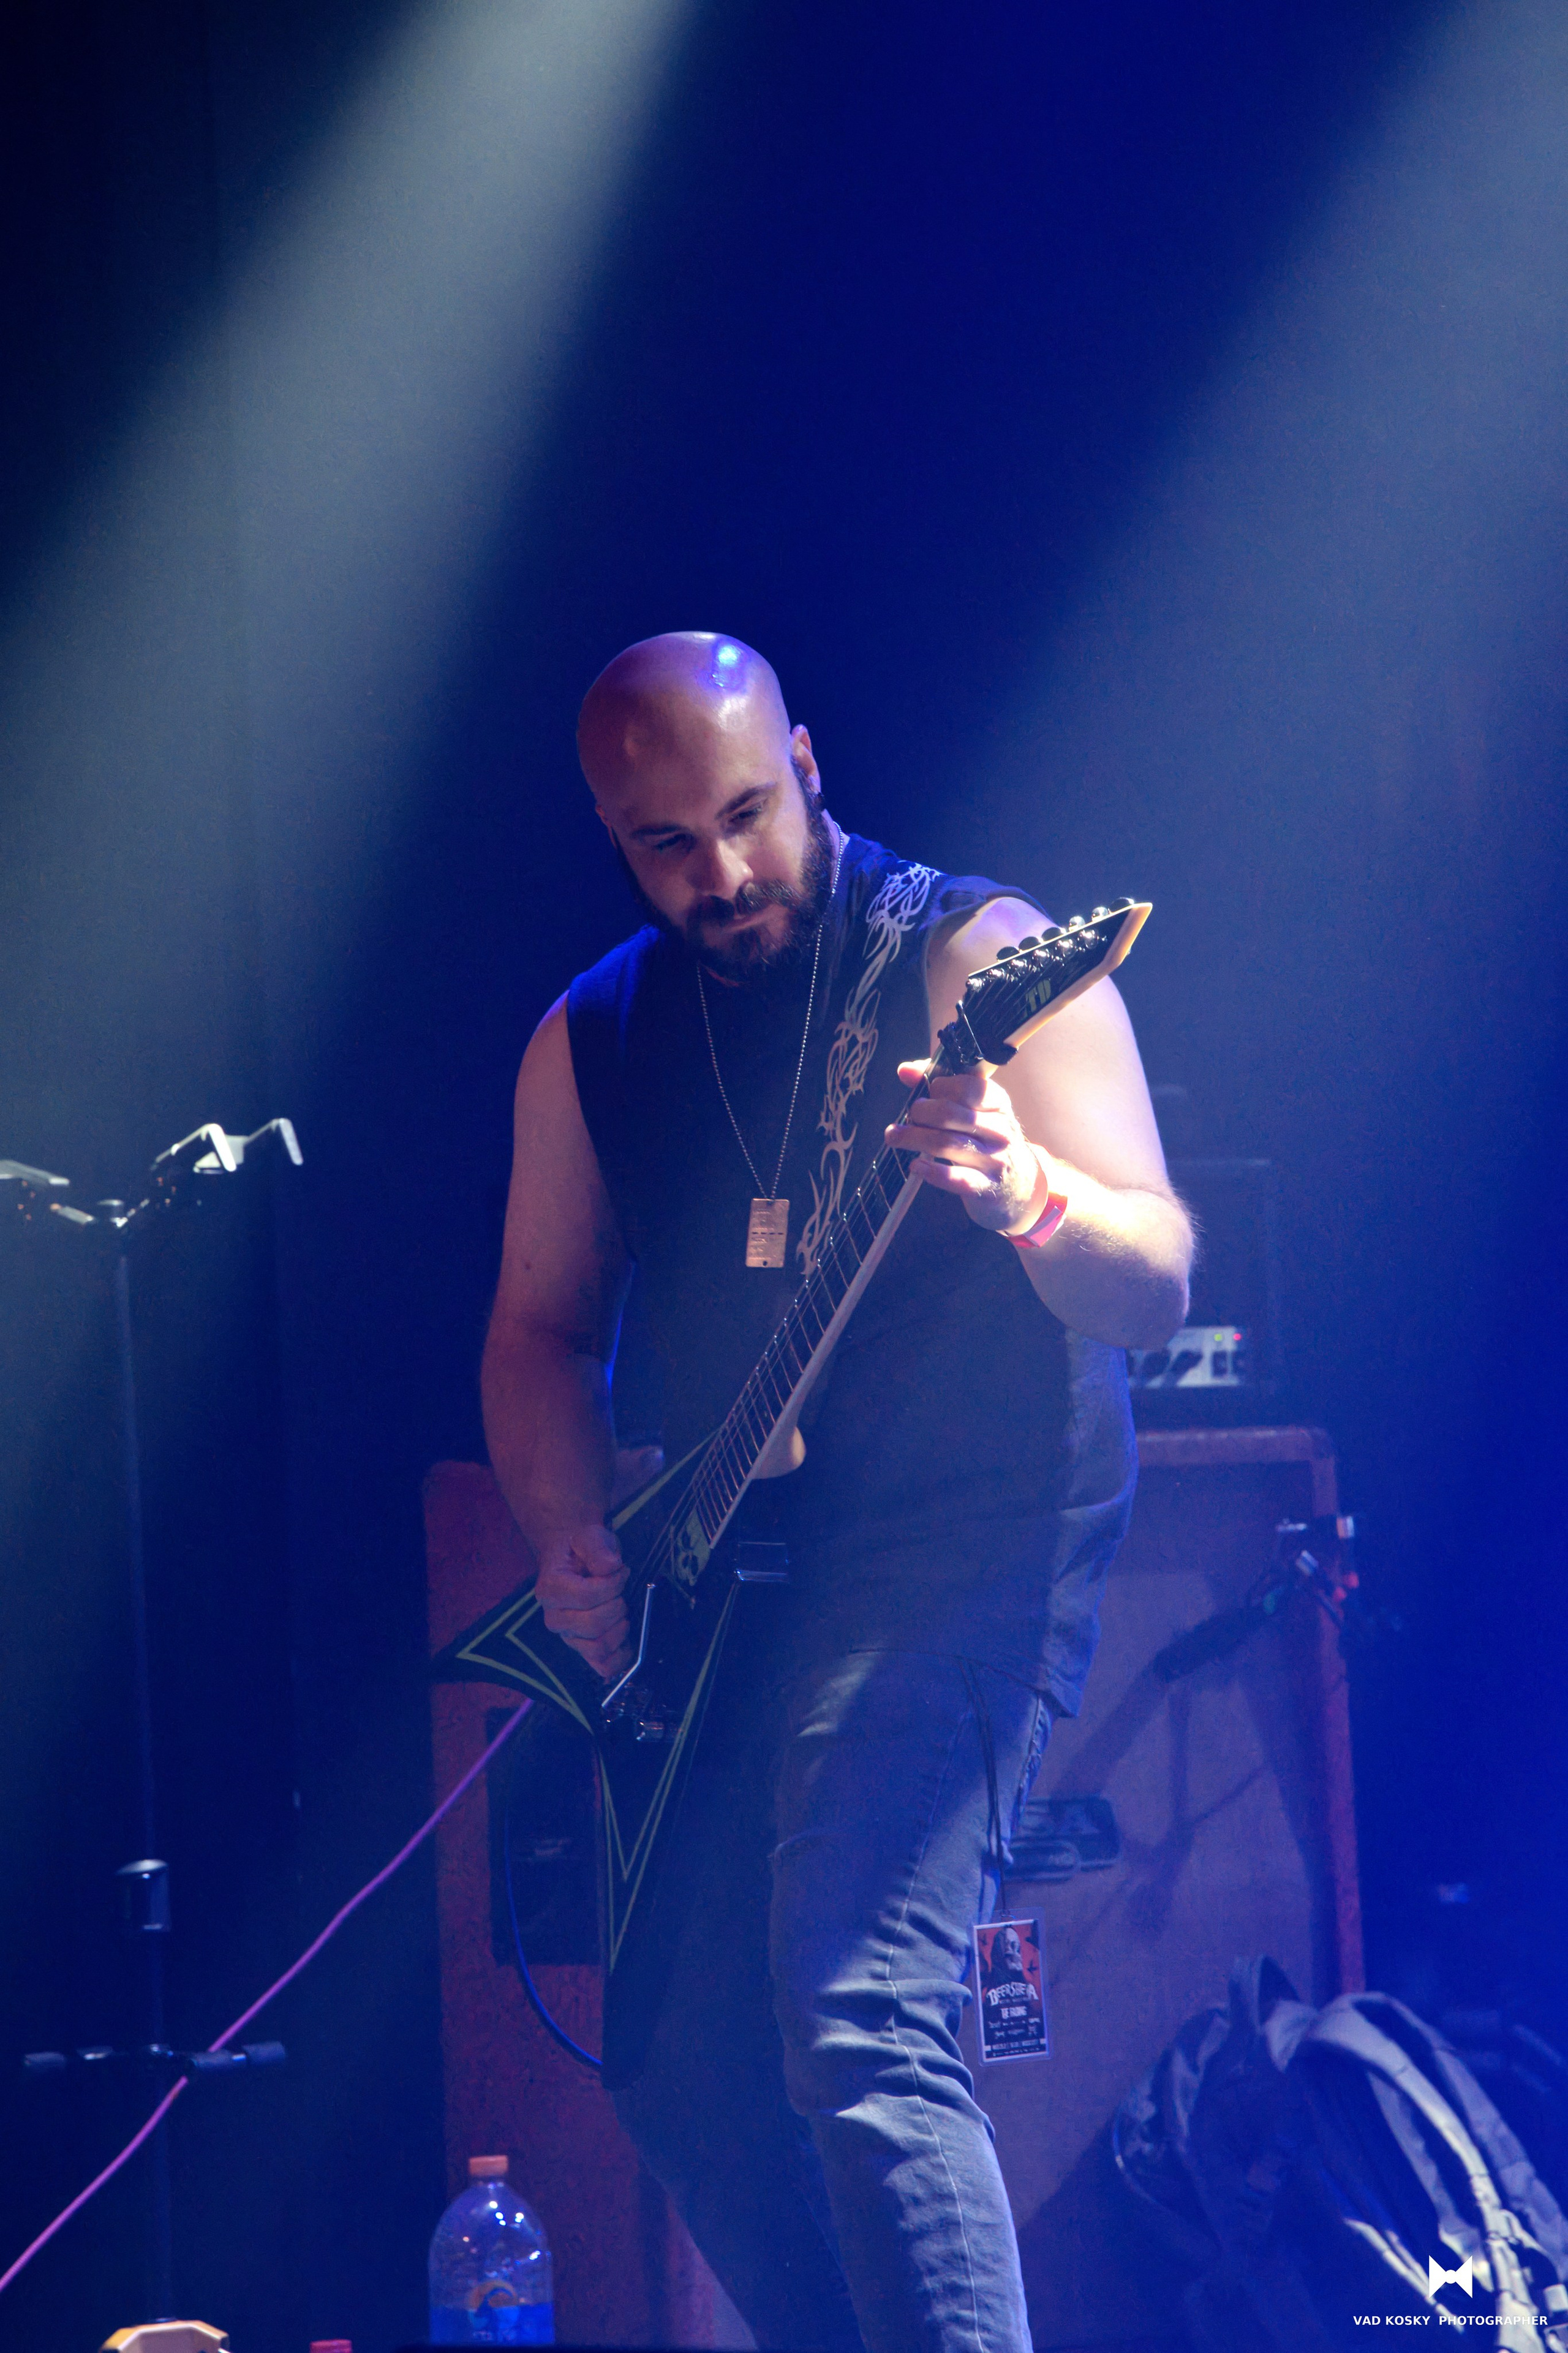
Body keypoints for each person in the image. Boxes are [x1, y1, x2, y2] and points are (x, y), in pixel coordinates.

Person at [481, 632, 1193, 2353]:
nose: (722, 874)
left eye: (746, 813)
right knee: (678, 2060)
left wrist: (1028, 1195)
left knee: (862, 2005)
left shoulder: (976, 958)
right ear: (613, 838)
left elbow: (1156, 1275)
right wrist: (576, 1530)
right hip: (749, 1571)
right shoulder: (593, 1042)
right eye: (668, 843)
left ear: (804, 760)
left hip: (973, 1537)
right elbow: (538, 1329)